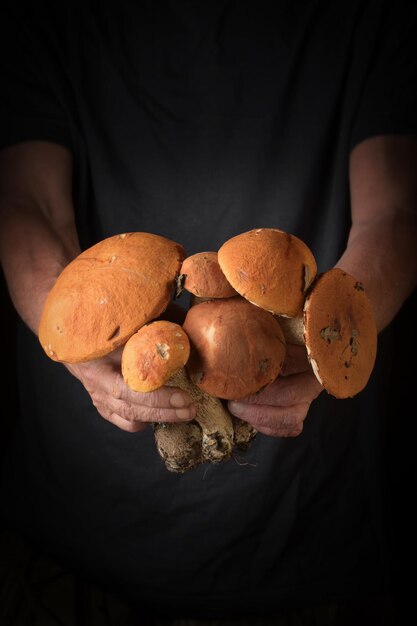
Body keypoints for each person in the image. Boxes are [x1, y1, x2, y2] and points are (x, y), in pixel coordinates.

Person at [0, 0, 416, 623]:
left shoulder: (364, 18)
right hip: (88, 523)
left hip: (315, 525)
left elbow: (397, 212)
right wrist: (83, 350)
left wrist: (332, 335)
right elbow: (25, 203)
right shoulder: (51, 19)